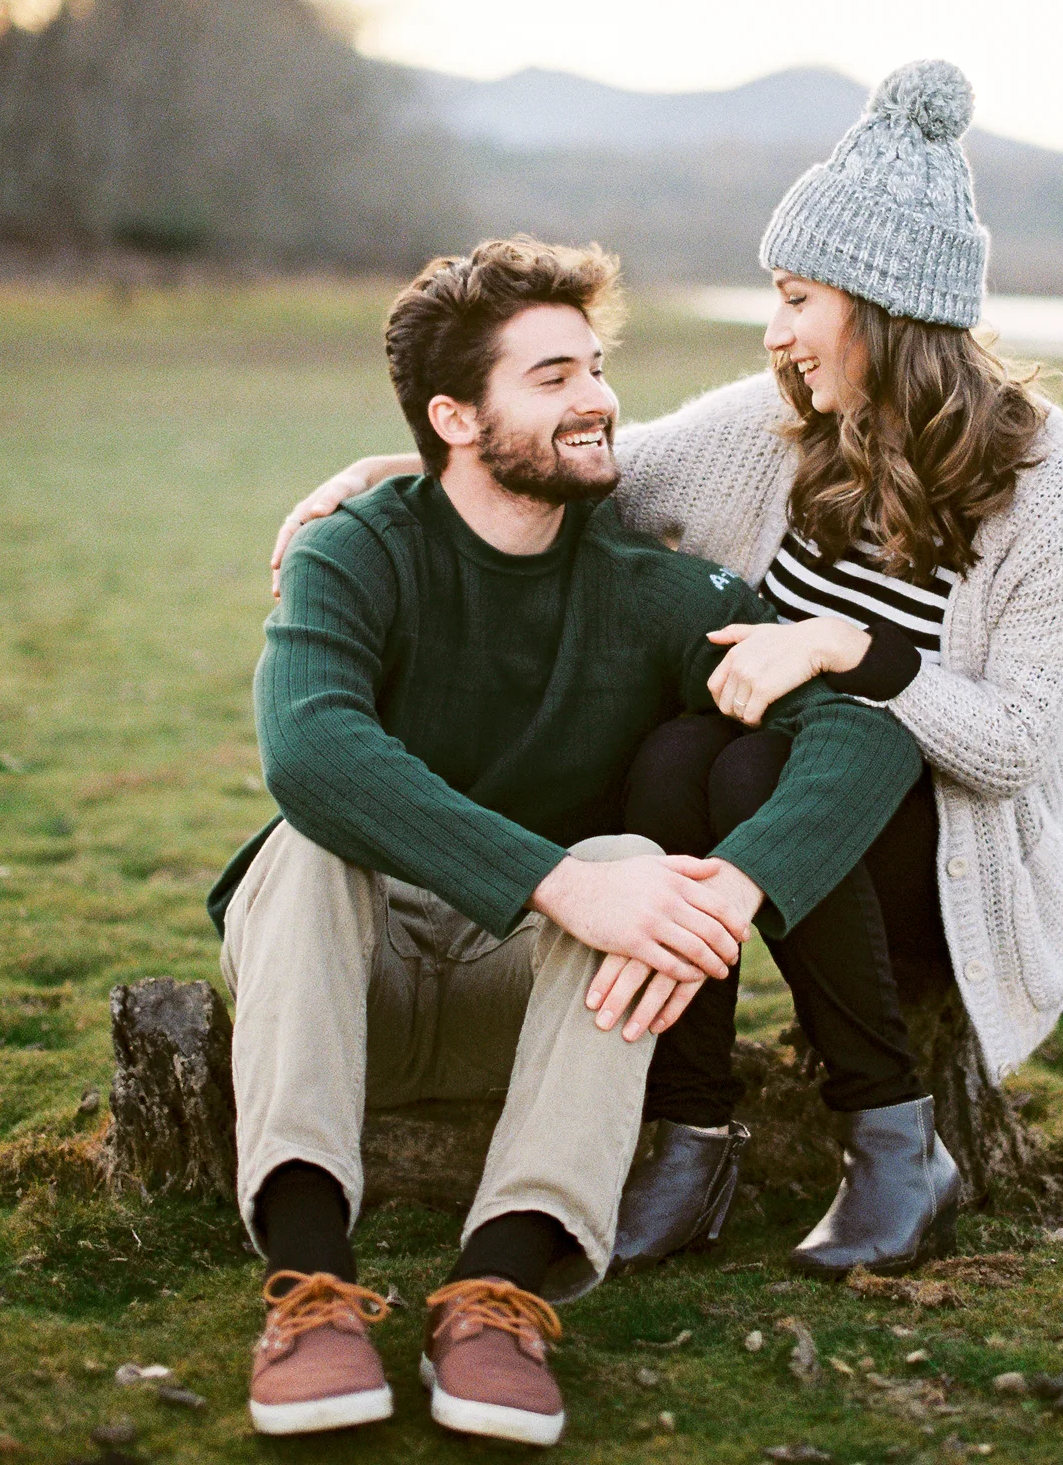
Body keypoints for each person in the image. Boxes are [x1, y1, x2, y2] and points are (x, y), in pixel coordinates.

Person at [276, 60, 1063, 1283]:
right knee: (686, 752)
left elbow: (1016, 744)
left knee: (744, 763)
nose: (774, 331)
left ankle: (892, 1136)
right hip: (757, 816)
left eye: (797, 297)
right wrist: (393, 481)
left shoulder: (1059, 491)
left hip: (942, 858)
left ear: (884, 305)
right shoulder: (770, 426)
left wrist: (855, 649)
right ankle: (694, 1126)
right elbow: (575, 474)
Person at [225, 234, 922, 1445]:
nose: (598, 398)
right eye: (552, 375)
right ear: (455, 415)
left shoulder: (654, 590)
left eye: (595, 366)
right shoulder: (359, 550)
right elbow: (311, 750)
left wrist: (738, 886)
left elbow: (862, 737)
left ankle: (499, 1291)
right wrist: (549, 880)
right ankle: (310, 1285)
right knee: (310, 841)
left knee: (632, 872)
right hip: (349, 979)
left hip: (524, 1003)